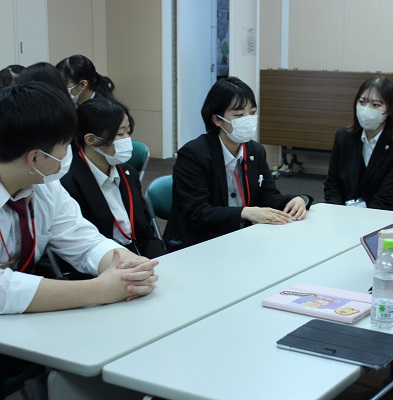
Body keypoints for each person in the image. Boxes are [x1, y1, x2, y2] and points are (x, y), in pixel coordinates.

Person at [0, 81, 158, 315]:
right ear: (34, 158)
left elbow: (84, 240)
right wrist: (99, 290)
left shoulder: (45, 187)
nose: (69, 154)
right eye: (65, 146)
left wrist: (129, 266)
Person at [163, 77, 312, 251]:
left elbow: (268, 197)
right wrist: (245, 212)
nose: (248, 120)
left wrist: (298, 199)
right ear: (217, 119)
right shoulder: (194, 154)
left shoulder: (255, 151)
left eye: (252, 112)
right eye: (239, 115)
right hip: (199, 242)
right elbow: (196, 213)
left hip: (241, 238)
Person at [61, 99, 166, 259]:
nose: (127, 139)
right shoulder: (68, 181)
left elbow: (145, 230)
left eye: (128, 132)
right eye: (120, 134)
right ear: (91, 140)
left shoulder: (128, 172)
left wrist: (160, 260)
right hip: (101, 260)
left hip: (138, 254)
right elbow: (79, 245)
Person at [323, 76, 393, 212]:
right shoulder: (343, 137)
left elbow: (388, 197)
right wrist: (337, 211)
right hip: (346, 214)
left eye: (376, 105)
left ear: (390, 109)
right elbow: (333, 184)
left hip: (387, 214)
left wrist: (360, 217)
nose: (366, 110)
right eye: (362, 102)